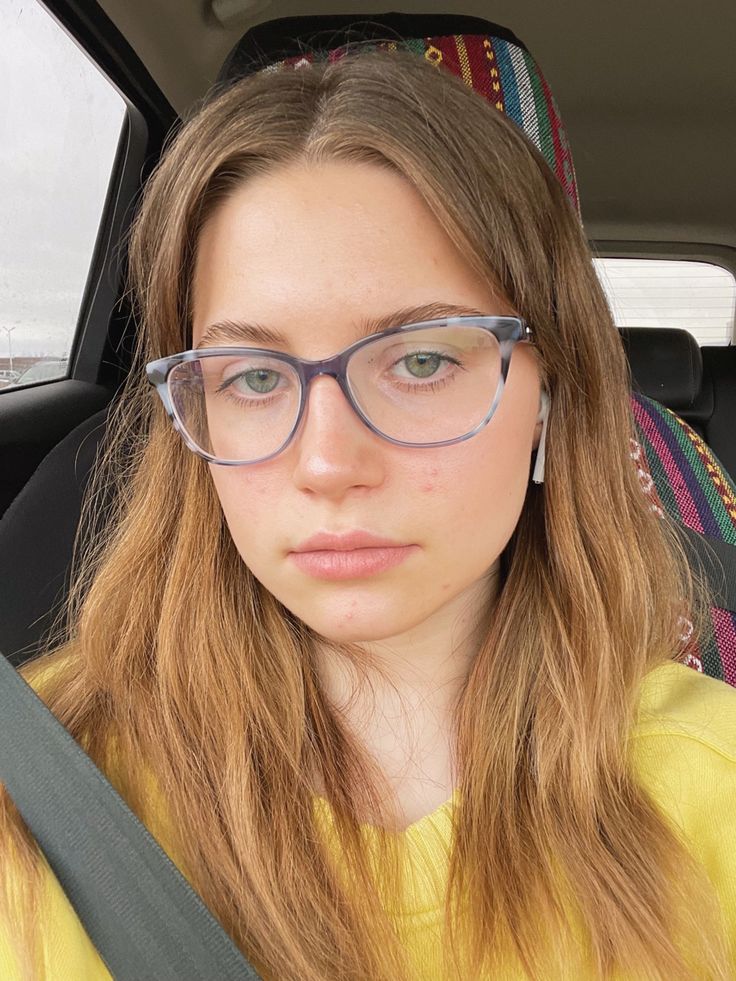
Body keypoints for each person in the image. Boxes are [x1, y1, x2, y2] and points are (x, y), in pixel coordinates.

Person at [1, 43, 734, 981]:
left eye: (421, 360)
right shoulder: (43, 790)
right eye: (254, 376)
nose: (327, 464)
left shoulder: (713, 780)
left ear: (550, 393)